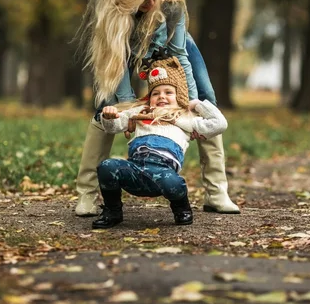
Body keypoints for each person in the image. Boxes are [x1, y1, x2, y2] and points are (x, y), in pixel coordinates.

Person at [74, 0, 240, 217]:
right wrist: (127, 111)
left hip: (170, 45)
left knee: (207, 98)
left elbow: (180, 54)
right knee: (107, 106)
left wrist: (189, 104)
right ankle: (86, 194)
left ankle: (217, 193)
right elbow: (115, 62)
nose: (152, 2)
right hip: (118, 49)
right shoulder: (103, 0)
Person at [92, 56, 228, 228]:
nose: (161, 96)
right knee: (106, 166)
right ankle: (113, 211)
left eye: (168, 92)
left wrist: (197, 105)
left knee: (173, 182)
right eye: (155, 93)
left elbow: (220, 124)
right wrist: (109, 116)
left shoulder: (186, 118)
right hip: (135, 168)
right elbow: (113, 127)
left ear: (179, 96)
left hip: (163, 172)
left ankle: (181, 207)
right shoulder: (141, 112)